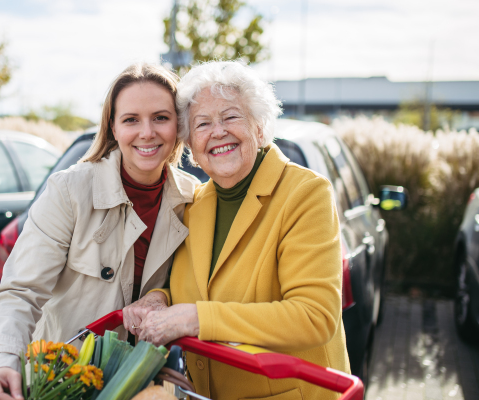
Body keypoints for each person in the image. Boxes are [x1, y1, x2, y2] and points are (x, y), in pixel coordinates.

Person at [125, 61, 350, 400]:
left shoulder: (305, 194)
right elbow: (190, 290)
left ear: (260, 128)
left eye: (231, 117)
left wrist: (196, 319)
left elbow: (313, 316)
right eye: (202, 124)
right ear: (192, 149)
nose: (217, 132)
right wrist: (158, 300)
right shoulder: (195, 204)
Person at [0, 63, 200, 400]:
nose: (146, 132)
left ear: (178, 125)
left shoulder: (192, 198)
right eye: (130, 120)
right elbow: (20, 292)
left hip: (141, 382)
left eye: (160, 117)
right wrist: (1, 362)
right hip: (61, 379)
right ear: (113, 126)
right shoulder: (69, 191)